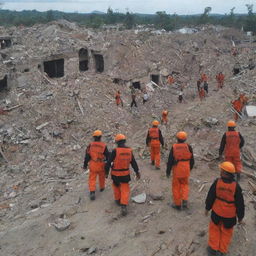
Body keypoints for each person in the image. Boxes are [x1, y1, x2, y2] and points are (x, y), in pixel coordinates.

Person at [205, 161, 245, 256]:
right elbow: (240, 204)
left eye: (221, 170)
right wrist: (240, 217)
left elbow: (210, 196)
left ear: (225, 173)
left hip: (217, 212)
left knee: (214, 229)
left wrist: (207, 208)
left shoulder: (217, 182)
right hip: (229, 215)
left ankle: (213, 248)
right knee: (226, 232)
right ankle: (222, 251)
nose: (220, 171)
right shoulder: (236, 187)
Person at [105, 134, 141, 216]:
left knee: (116, 186)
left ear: (117, 142)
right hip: (125, 174)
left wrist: (106, 173)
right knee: (125, 188)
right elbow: (133, 162)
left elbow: (108, 163)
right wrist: (137, 172)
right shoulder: (129, 151)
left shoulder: (115, 151)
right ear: (124, 141)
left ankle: (118, 200)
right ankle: (123, 205)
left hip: (115, 174)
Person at [166, 131, 194, 210]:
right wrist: (190, 168)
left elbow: (170, 160)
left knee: (176, 186)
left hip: (177, 168)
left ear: (177, 138)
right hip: (186, 168)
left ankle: (178, 204)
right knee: (185, 184)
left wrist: (168, 171)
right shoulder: (188, 147)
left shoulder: (174, 147)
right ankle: (184, 200)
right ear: (185, 139)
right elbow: (192, 160)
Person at [83, 130, 109, 200]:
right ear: (100, 137)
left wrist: (85, 165)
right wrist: (107, 165)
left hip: (93, 164)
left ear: (94, 137)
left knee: (92, 178)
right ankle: (102, 188)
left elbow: (87, 156)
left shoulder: (90, 145)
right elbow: (107, 156)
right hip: (101, 164)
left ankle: (92, 192)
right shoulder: (104, 146)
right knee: (102, 176)